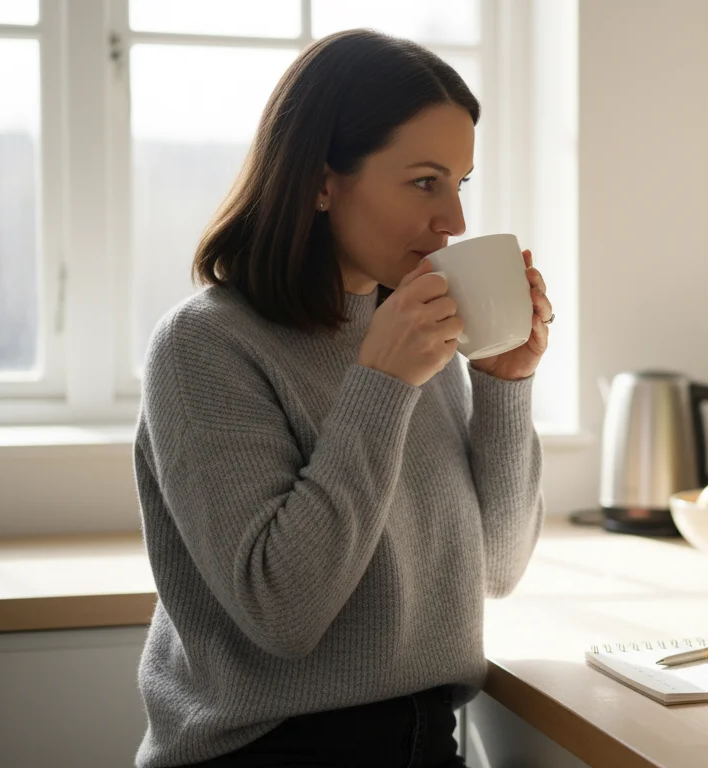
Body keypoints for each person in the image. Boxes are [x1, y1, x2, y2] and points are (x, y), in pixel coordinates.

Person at [131, 28, 551, 768]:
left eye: (461, 184)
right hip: (269, 752)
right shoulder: (204, 348)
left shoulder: (421, 334)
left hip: (426, 742)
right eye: (425, 181)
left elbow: (497, 568)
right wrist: (381, 387)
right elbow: (282, 614)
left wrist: (504, 387)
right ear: (321, 181)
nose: (453, 221)